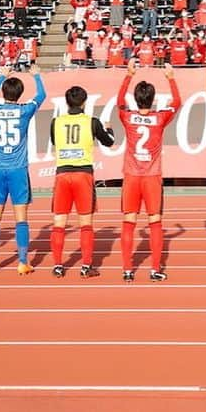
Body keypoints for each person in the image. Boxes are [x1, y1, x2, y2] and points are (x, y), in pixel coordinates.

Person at [115, 62, 181, 281]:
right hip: (152, 176)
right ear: (153, 99)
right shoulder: (159, 118)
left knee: (129, 221)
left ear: (136, 98)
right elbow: (177, 102)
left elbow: (119, 102)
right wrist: (171, 77)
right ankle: (155, 269)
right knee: (155, 221)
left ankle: (127, 269)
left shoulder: (127, 116)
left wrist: (128, 75)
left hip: (132, 175)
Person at [0, 65, 48, 276]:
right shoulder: (24, 110)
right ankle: (22, 261)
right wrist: (36, 75)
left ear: (3, 92)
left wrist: (1, 76)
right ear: (20, 93)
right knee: (21, 217)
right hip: (18, 169)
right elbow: (42, 95)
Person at [49, 85, 115, 278]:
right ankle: (86, 266)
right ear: (84, 102)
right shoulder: (91, 122)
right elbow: (109, 141)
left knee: (59, 222)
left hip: (62, 174)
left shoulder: (56, 122)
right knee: (85, 223)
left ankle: (58, 266)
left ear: (67, 102)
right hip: (83, 174)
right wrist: (109, 128)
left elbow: (55, 142)